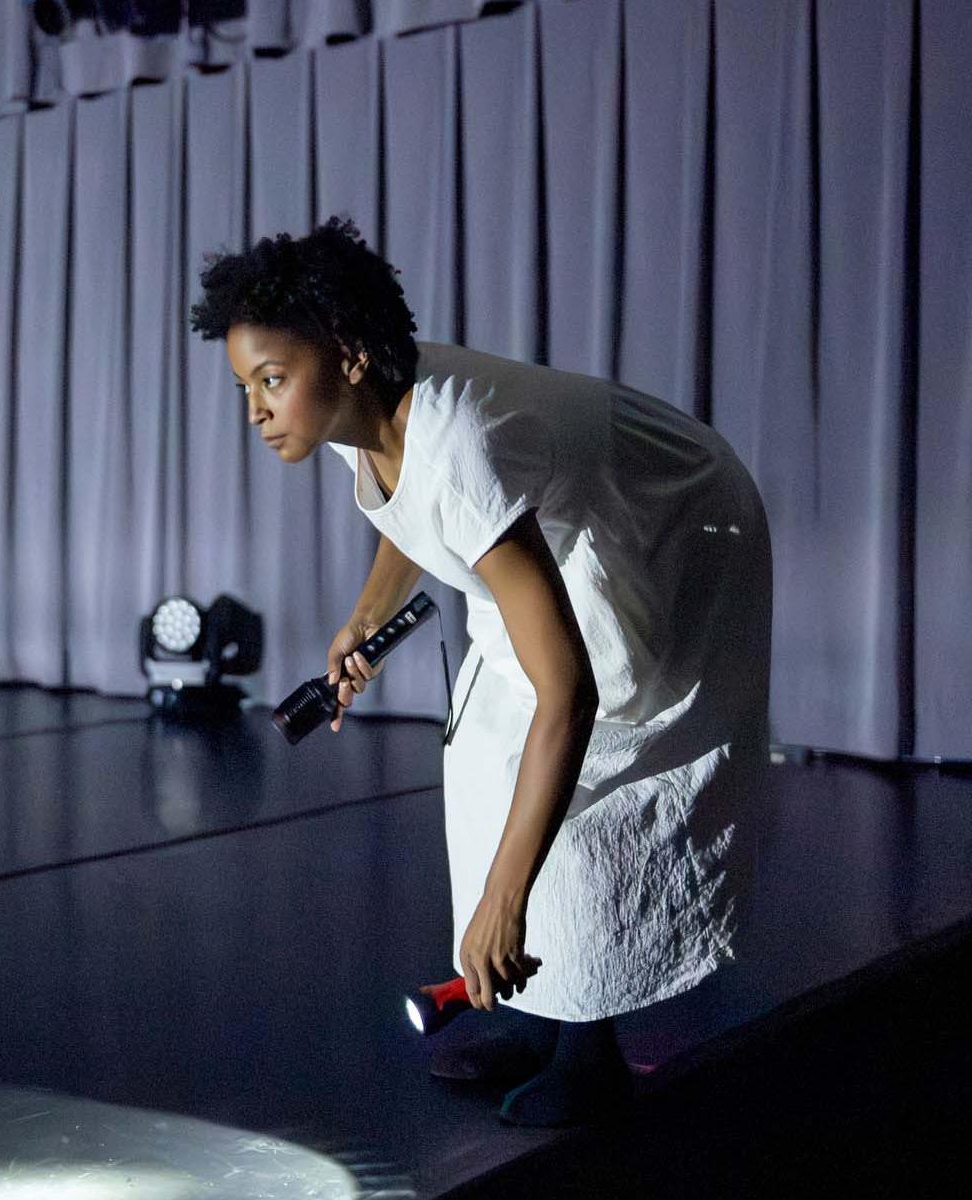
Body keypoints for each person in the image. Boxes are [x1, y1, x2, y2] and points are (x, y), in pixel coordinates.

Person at [189, 216, 773, 1126]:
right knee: (483, 749)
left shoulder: (459, 442)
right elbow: (407, 507)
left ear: (343, 357)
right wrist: (364, 619)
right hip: (567, 522)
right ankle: (535, 1012)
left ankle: (589, 1044)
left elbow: (568, 695)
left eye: (270, 381)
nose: (256, 410)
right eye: (245, 386)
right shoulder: (363, 404)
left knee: (597, 760)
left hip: (674, 524)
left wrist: (502, 904)